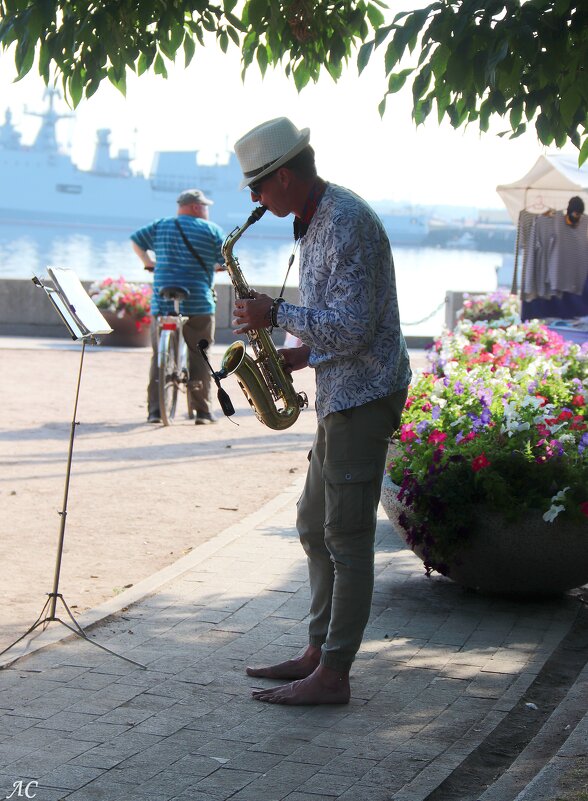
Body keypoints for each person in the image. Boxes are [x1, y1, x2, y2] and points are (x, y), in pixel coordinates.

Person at [231, 118, 412, 705]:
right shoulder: (314, 220)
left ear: (284, 176)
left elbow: (355, 328)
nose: (255, 200)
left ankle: (334, 674)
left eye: (258, 187)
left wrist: (275, 315)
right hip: (340, 392)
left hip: (365, 394)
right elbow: (342, 324)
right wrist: (299, 354)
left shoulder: (346, 222)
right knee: (314, 524)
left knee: (348, 537)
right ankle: (317, 650)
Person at [130, 189, 225, 424]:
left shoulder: (161, 225)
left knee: (158, 356)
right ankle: (202, 411)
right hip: (198, 301)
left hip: (163, 300)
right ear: (196, 207)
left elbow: (136, 241)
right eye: (205, 206)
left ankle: (155, 411)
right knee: (200, 354)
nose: (207, 210)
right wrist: (214, 267)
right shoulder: (211, 230)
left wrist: (148, 262)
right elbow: (225, 260)